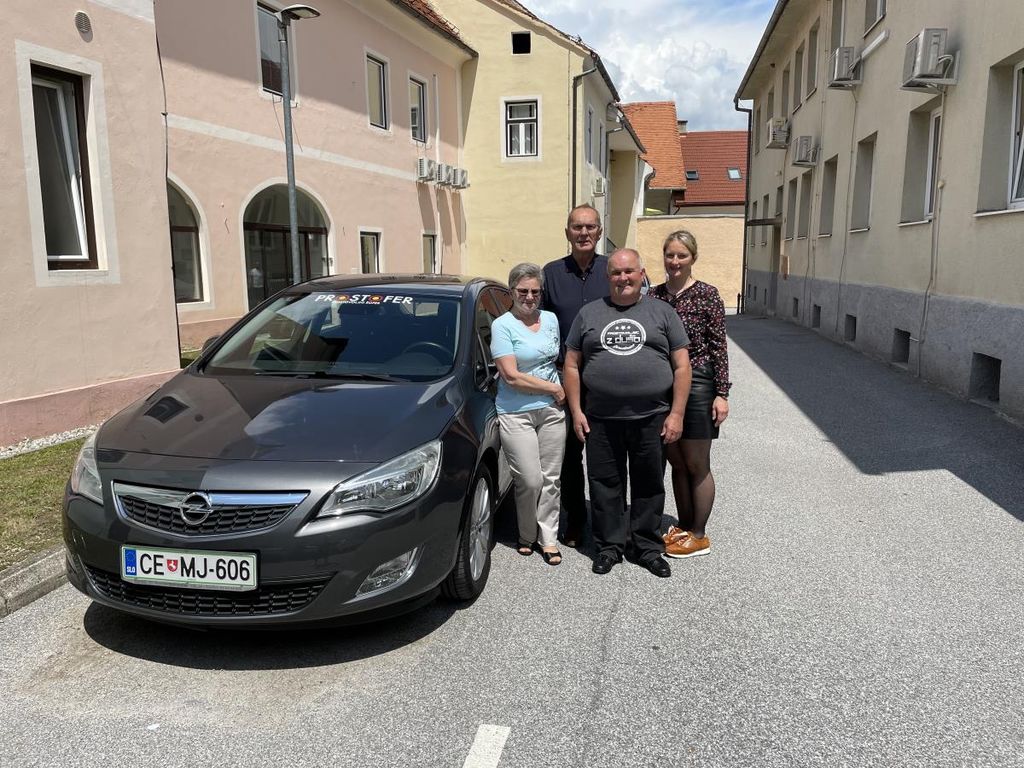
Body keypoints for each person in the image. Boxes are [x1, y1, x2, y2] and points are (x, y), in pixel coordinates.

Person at [563, 249, 692, 578]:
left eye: (629, 271)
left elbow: (682, 366)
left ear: (641, 274)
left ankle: (647, 547)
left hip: (652, 417)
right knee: (605, 484)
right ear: (608, 277)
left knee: (649, 484)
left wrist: (677, 414)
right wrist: (576, 411)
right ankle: (609, 546)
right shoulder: (589, 314)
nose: (623, 278)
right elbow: (572, 365)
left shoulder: (662, 312)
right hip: (601, 418)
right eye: (616, 273)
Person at [648, 230, 731, 559]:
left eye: (681, 255)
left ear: (692, 257)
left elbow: (718, 346)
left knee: (696, 462)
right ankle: (683, 528)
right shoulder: (654, 296)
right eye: (670, 254)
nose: (675, 261)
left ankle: (698, 534)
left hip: (698, 382)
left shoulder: (707, 294)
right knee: (677, 461)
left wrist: (721, 393)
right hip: (664, 383)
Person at [541, 204, 610, 548]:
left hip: (605, 377)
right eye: (577, 227)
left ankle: (607, 522)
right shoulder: (551, 273)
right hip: (563, 378)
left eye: (590, 227)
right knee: (568, 455)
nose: (584, 233)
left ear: (599, 231)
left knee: (604, 453)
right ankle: (576, 520)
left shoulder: (613, 270)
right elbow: (539, 324)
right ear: (567, 232)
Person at [491, 263, 567, 565]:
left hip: (550, 411)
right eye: (523, 291)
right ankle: (526, 533)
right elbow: (511, 376)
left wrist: (555, 392)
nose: (530, 297)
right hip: (516, 412)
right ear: (512, 291)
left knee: (551, 479)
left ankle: (548, 538)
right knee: (530, 479)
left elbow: (553, 360)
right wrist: (554, 388)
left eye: (535, 291)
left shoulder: (550, 319)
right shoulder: (502, 325)